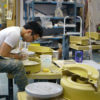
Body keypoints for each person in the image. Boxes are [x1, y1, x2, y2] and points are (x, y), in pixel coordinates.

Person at [0, 21, 43, 91]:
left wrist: (17, 54)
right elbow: (2, 54)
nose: (31, 42)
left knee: (17, 61)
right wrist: (17, 57)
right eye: (33, 39)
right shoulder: (14, 34)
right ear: (29, 32)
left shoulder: (16, 30)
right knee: (18, 65)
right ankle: (25, 93)